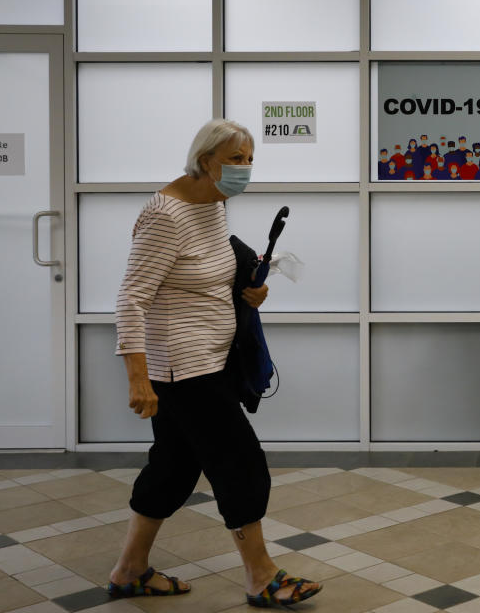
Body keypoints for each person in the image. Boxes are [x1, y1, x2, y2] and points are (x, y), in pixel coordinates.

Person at [110, 119, 322, 608]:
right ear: (206, 161)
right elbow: (131, 299)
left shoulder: (214, 205)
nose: (244, 170)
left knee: (172, 468)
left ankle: (130, 570)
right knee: (240, 464)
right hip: (181, 372)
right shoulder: (166, 215)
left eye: (250, 160)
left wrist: (253, 290)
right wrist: (138, 380)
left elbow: (209, 270)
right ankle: (261, 576)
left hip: (211, 360)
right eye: (235, 159)